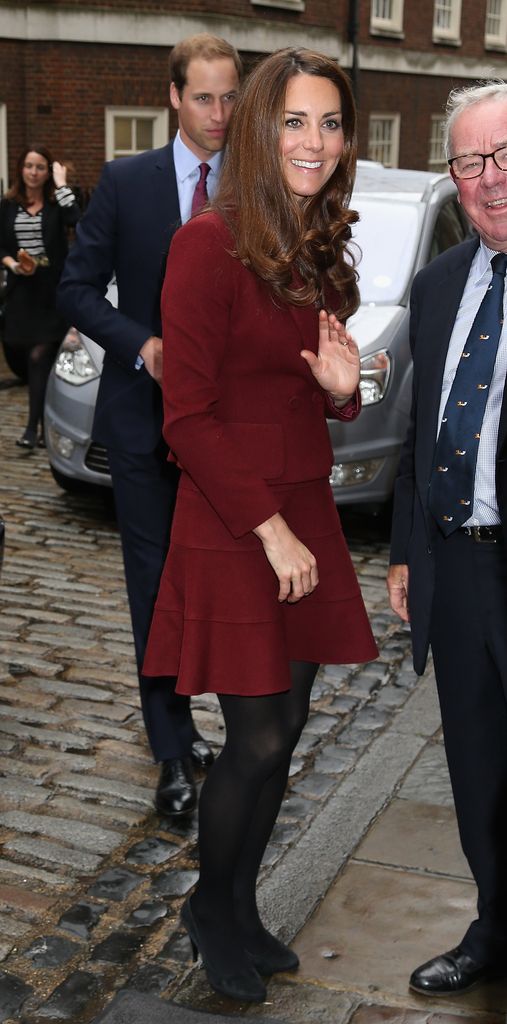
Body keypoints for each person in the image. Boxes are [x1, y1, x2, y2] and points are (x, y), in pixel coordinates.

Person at [142, 47, 377, 1003]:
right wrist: (269, 530)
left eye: (328, 123)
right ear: (256, 128)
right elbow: (187, 415)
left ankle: (238, 905)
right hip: (238, 517)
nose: (313, 142)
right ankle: (209, 907)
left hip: (303, 506)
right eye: (294, 121)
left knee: (289, 721)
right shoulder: (208, 242)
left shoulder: (314, 244)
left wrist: (344, 395)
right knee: (257, 737)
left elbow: (299, 391)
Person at [57, 34, 242, 817]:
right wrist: (143, 346)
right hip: (141, 427)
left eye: (231, 98)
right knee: (155, 588)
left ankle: (222, 727)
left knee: (222, 587)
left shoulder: (254, 185)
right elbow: (76, 288)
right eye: (203, 98)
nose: (219, 115)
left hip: (229, 434)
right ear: (173, 96)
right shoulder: (127, 182)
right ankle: (169, 748)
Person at [387, 81, 507, 997]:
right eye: (469, 162)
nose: (490, 179)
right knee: (475, 770)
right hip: (457, 569)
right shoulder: (434, 286)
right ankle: (492, 927)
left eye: (504, 155)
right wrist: (403, 549)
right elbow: (417, 432)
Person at [0, 144, 79, 448]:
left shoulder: (56, 204)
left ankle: (33, 428)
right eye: (29, 166)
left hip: (52, 292)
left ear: (48, 172)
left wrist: (62, 186)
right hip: (22, 292)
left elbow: (77, 220)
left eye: (41, 167)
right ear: (21, 169)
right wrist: (11, 264)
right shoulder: (7, 206)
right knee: (31, 359)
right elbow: (1, 246)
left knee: (38, 357)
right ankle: (44, 424)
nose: (34, 172)